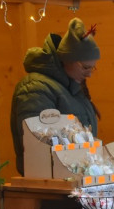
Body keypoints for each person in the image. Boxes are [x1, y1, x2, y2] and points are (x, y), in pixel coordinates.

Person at [10, 18, 102, 174]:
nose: (90, 74)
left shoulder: (74, 88)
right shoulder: (35, 89)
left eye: (93, 68)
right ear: (68, 60)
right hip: (50, 181)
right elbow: (40, 144)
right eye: (86, 67)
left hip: (74, 177)